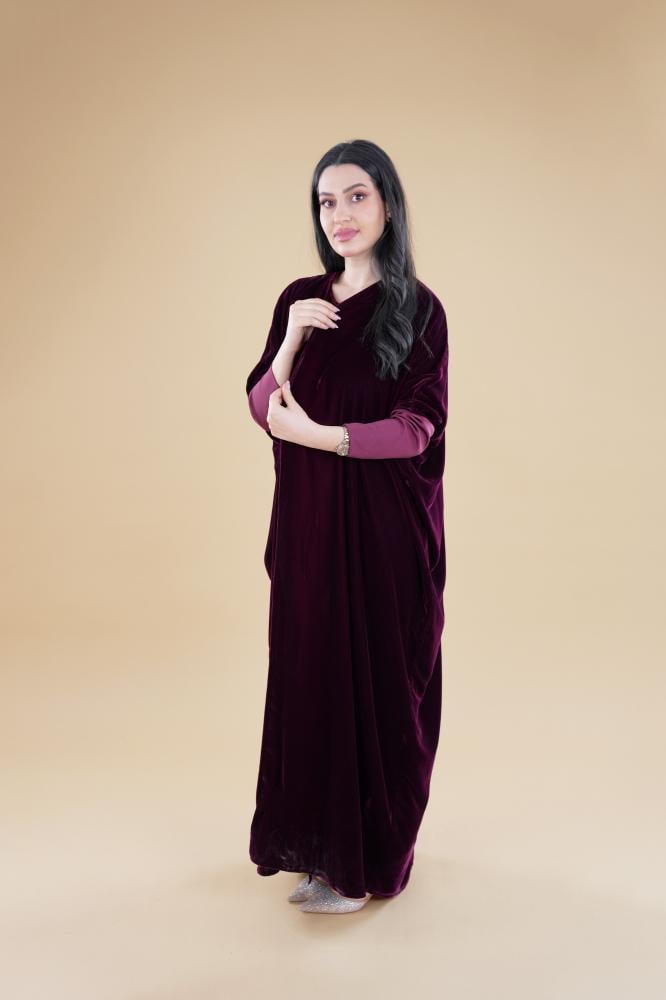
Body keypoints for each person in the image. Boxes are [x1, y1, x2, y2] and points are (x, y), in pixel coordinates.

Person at [245, 139, 449, 915]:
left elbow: (418, 428)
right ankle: (319, 853)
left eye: (356, 196)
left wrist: (323, 437)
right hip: (309, 533)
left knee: (378, 692)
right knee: (312, 682)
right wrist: (292, 338)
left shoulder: (419, 310)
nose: (341, 214)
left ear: (387, 203)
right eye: (327, 201)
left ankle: (365, 862)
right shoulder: (300, 298)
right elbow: (261, 404)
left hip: (384, 538)